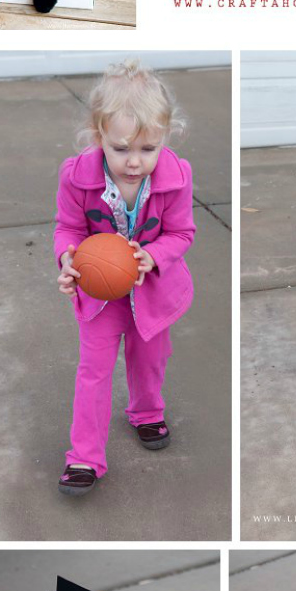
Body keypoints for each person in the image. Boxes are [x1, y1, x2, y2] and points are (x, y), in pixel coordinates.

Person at [55, 59, 195, 493]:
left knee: (149, 359)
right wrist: (67, 260)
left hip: (152, 293)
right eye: (121, 150)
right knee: (93, 372)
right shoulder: (76, 177)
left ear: (165, 138)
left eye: (148, 149)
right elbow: (68, 228)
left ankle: (147, 412)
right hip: (100, 298)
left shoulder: (177, 177)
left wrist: (153, 256)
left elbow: (181, 232)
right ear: (99, 137)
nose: (134, 162)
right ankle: (84, 458)